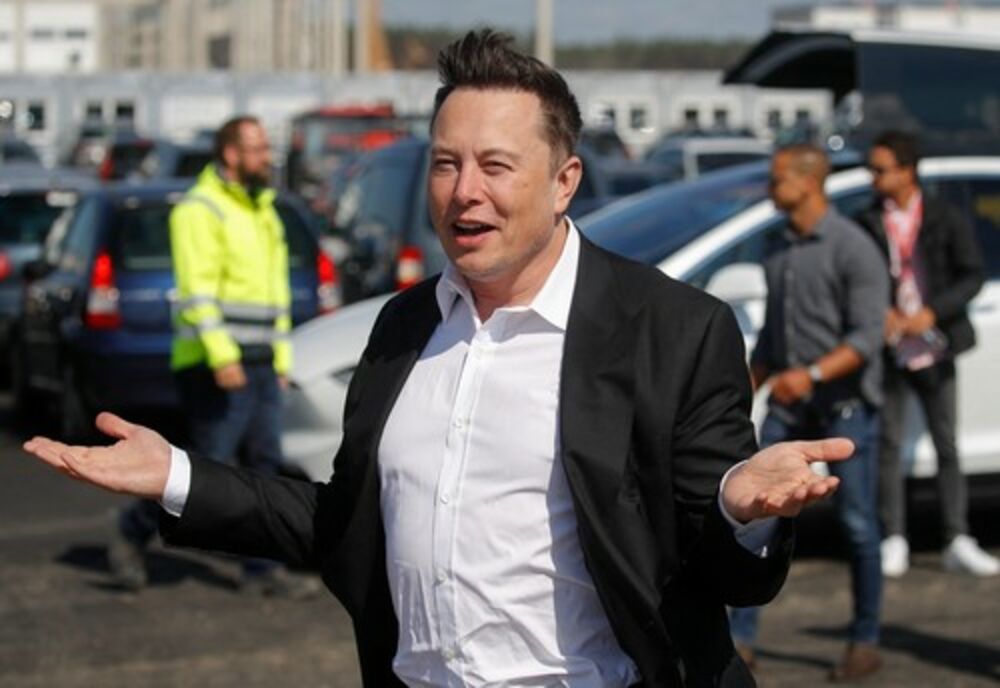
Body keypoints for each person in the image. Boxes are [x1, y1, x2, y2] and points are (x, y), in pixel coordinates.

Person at [26, 31, 855, 687]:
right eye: (447, 163)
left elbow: (725, 578)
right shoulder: (404, 324)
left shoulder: (674, 330)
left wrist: (741, 510)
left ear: (564, 181)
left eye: (496, 166)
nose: (465, 192)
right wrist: (176, 474)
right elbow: (344, 521)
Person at [109, 116, 317, 598]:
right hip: (213, 363)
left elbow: (275, 297)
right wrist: (224, 357)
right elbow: (197, 293)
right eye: (257, 148)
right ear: (230, 154)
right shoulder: (200, 209)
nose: (267, 156)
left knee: (263, 469)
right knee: (206, 466)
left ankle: (262, 570)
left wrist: (280, 360)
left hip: (260, 362)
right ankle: (131, 530)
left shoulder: (263, 210)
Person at [729, 144, 889, 681]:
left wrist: (813, 374)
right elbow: (774, 338)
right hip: (791, 405)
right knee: (759, 513)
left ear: (809, 182)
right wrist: (744, 388)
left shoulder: (853, 247)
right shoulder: (779, 249)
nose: (771, 189)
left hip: (845, 407)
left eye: (778, 180)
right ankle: (740, 640)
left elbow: (866, 338)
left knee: (858, 525)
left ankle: (865, 640)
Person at [856, 130, 997, 578]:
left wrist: (933, 312)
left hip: (936, 342)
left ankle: (956, 536)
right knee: (889, 443)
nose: (874, 178)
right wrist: (879, 312)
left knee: (946, 442)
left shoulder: (943, 216)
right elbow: (857, 277)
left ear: (907, 170)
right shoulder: (867, 220)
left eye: (881, 169)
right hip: (890, 346)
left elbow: (971, 274)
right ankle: (894, 535)